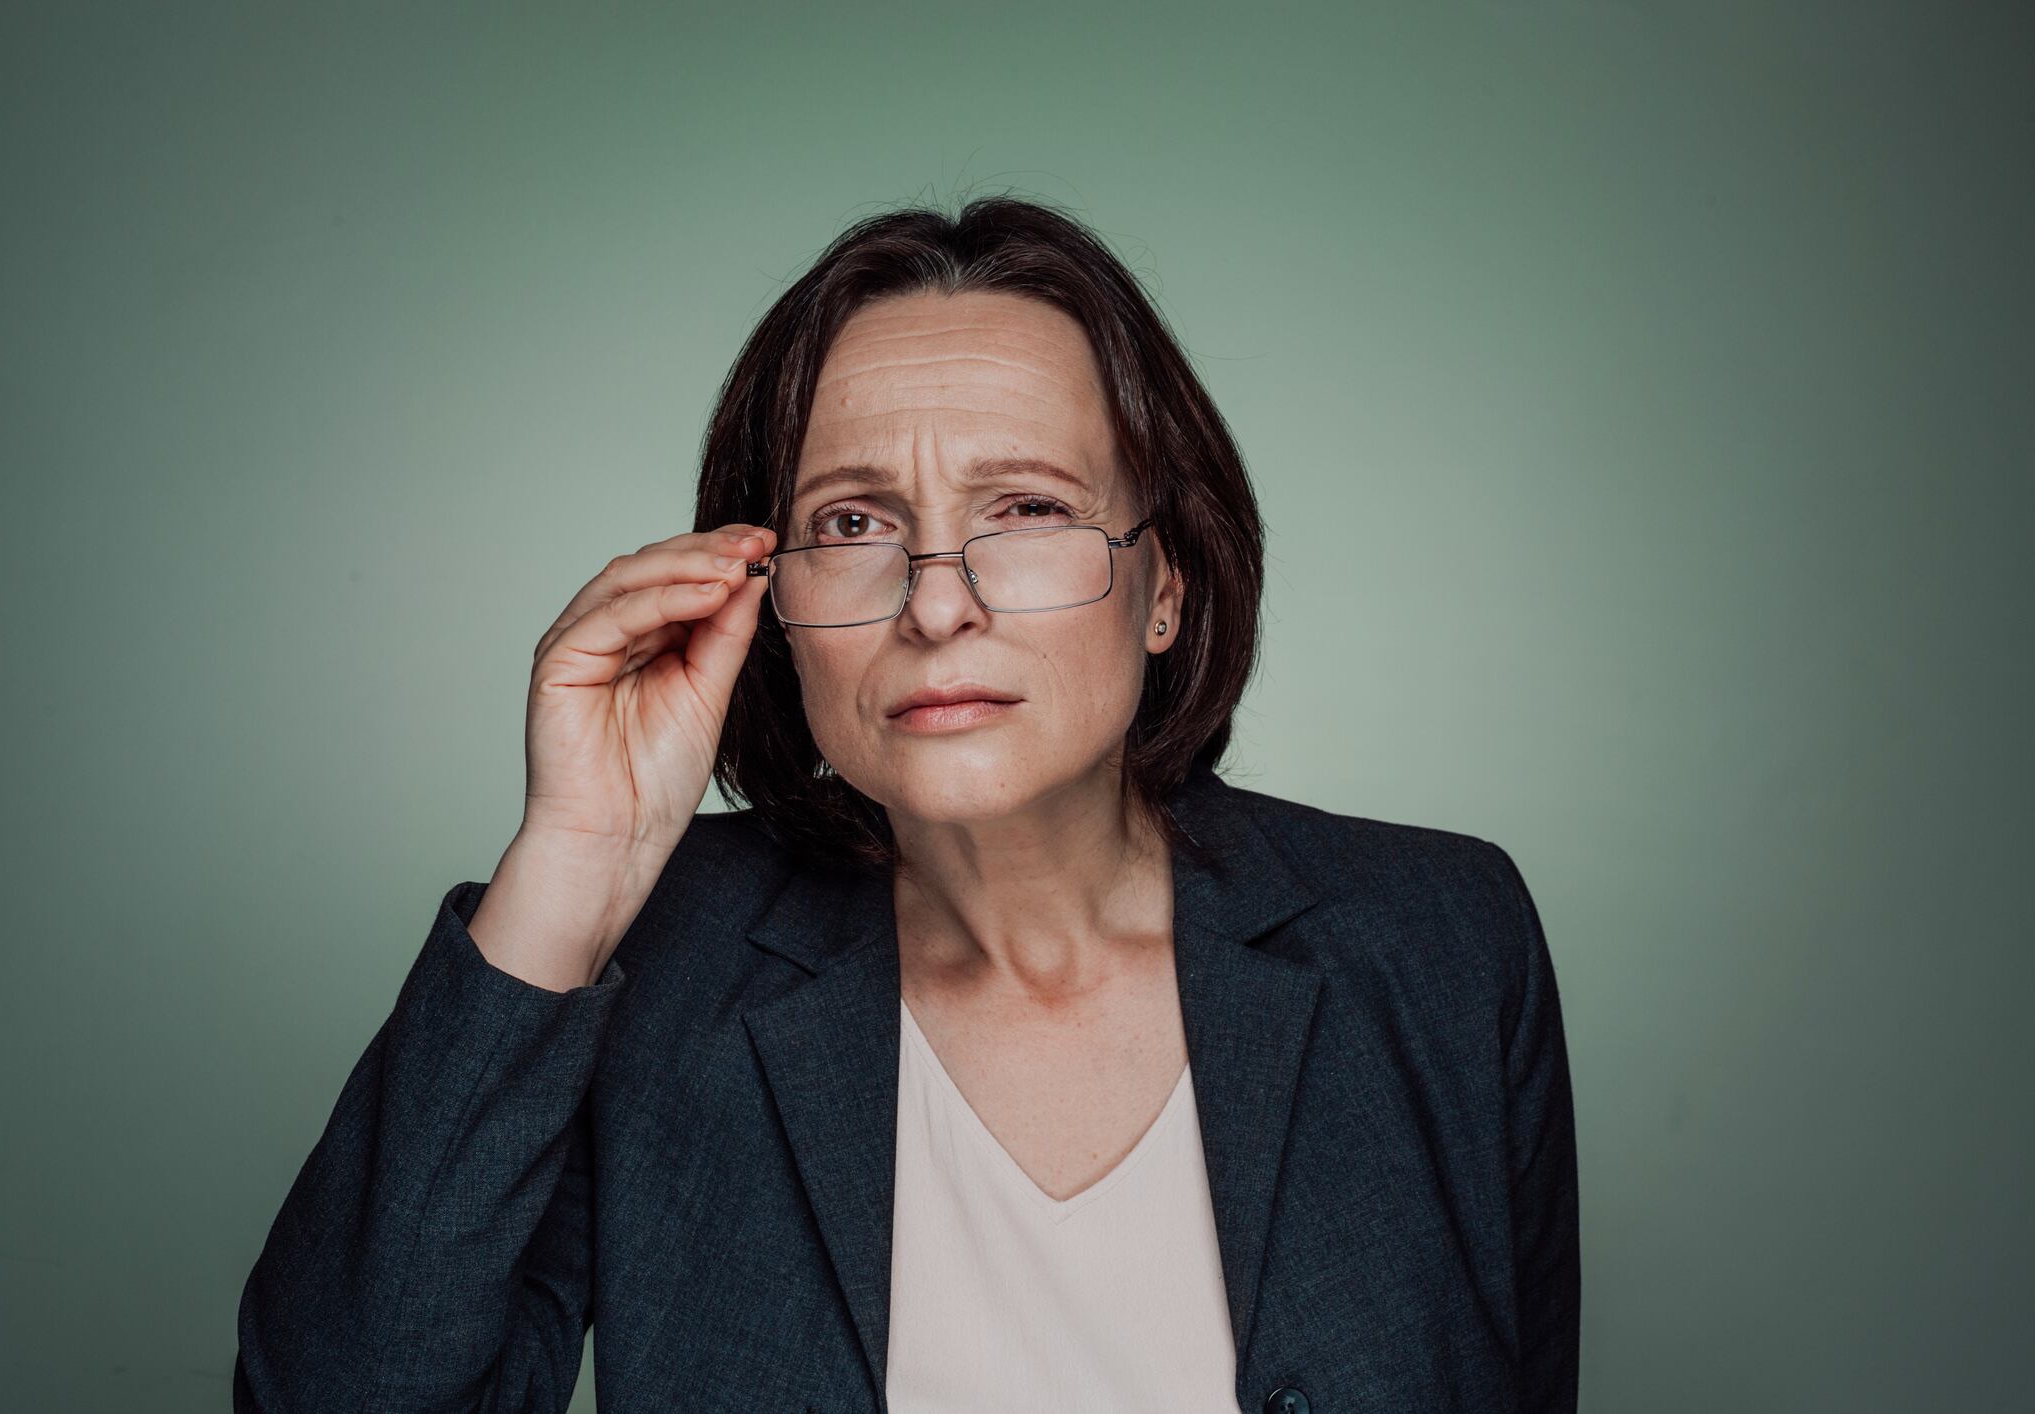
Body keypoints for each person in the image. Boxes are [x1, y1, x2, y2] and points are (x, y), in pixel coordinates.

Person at [234, 197, 1579, 1414]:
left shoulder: (1442, 941)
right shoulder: (662, 962)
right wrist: (576, 863)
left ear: (1163, 584)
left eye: (1025, 506)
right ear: (765, 598)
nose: (938, 604)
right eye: (854, 524)